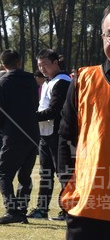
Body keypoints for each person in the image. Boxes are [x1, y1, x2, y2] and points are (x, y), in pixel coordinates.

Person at [44, 6, 110, 240]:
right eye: (108, 32)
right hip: (91, 206)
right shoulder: (84, 81)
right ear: (102, 37)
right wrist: (69, 183)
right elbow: (65, 138)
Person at [0, 50, 40, 225]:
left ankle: (12, 210)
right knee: (25, 175)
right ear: (19, 61)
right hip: (33, 132)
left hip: (13, 134)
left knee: (3, 173)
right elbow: (35, 103)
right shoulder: (31, 80)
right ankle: (21, 208)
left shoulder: (1, 83)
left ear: (3, 65)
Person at [30, 50, 71, 221]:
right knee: (45, 173)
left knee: (63, 174)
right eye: (39, 65)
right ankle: (42, 208)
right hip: (45, 134)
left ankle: (68, 210)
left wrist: (29, 117)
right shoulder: (48, 82)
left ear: (56, 63)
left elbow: (55, 111)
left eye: (45, 64)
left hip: (59, 135)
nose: (42, 68)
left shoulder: (62, 82)